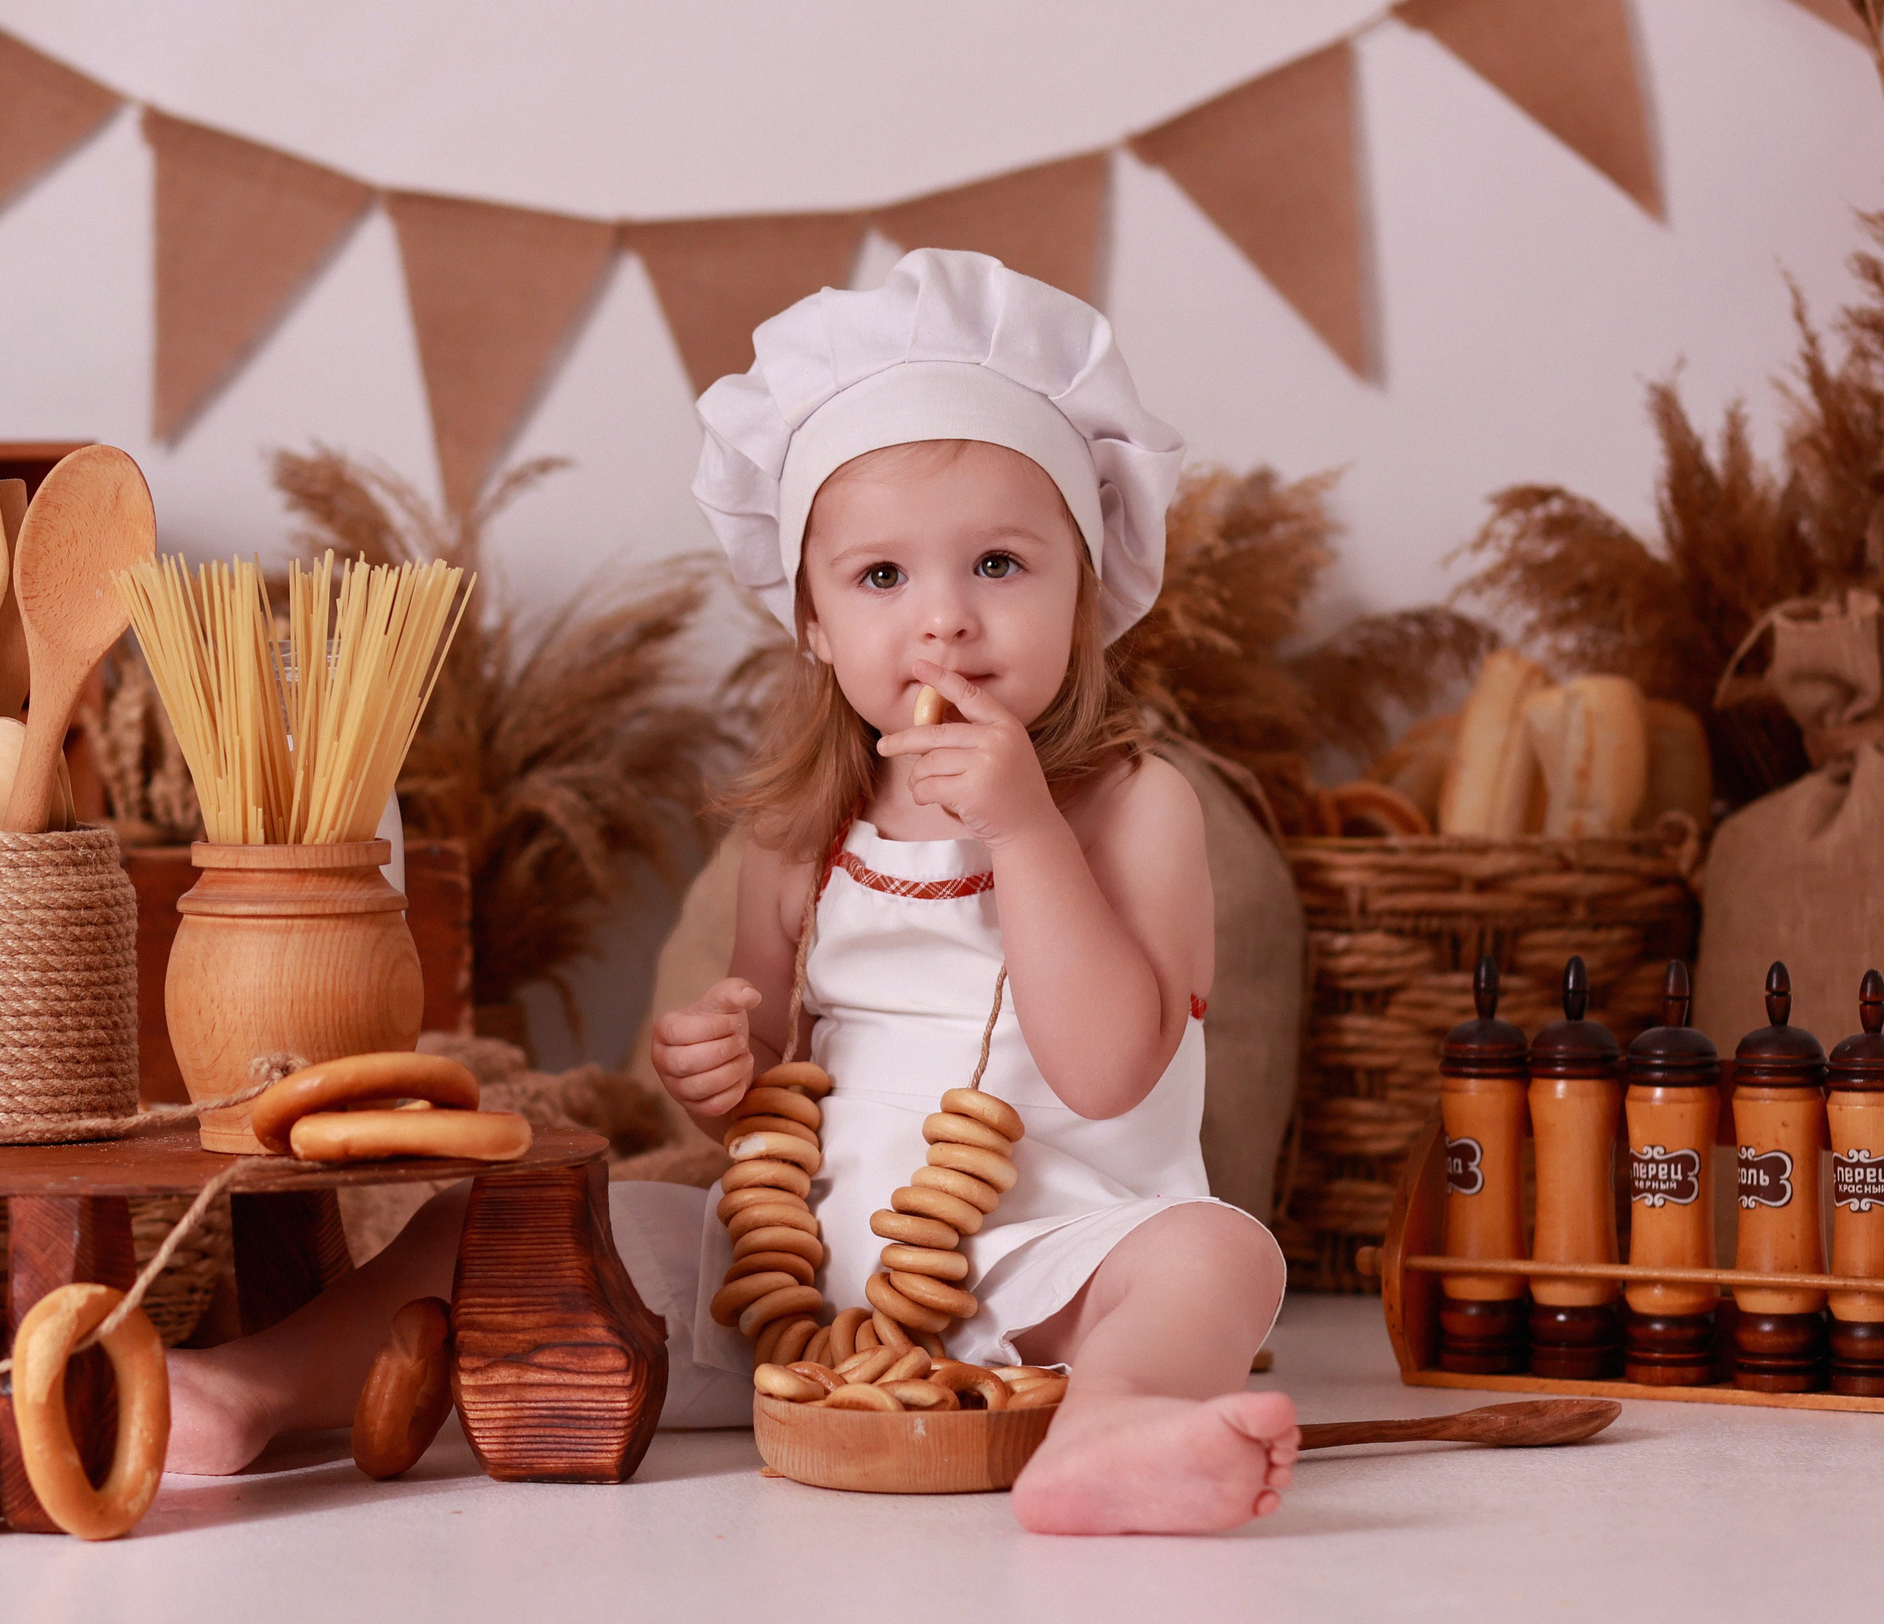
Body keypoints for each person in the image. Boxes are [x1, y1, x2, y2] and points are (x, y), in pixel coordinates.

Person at [163, 250, 1292, 1535]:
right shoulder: (797, 827)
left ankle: (1108, 1422)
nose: (943, 624)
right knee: (506, 1218)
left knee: (1217, 1253)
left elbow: (1106, 1074)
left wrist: (1026, 827)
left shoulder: (1138, 805)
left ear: (1084, 588)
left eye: (997, 564)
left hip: (1057, 1266)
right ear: (808, 618)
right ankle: (252, 1386)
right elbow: (773, 1072)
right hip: (798, 1279)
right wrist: (718, 1056)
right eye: (881, 578)